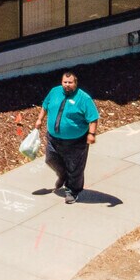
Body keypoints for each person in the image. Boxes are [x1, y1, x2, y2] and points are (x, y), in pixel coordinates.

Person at [34, 69, 101, 202]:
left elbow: (93, 118)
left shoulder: (83, 98)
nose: (67, 85)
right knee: (50, 159)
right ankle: (63, 175)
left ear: (76, 83)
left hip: (75, 141)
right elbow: (45, 106)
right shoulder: (54, 92)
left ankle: (72, 191)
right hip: (53, 138)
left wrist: (91, 134)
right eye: (65, 82)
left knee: (75, 167)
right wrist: (40, 119)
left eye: (70, 82)